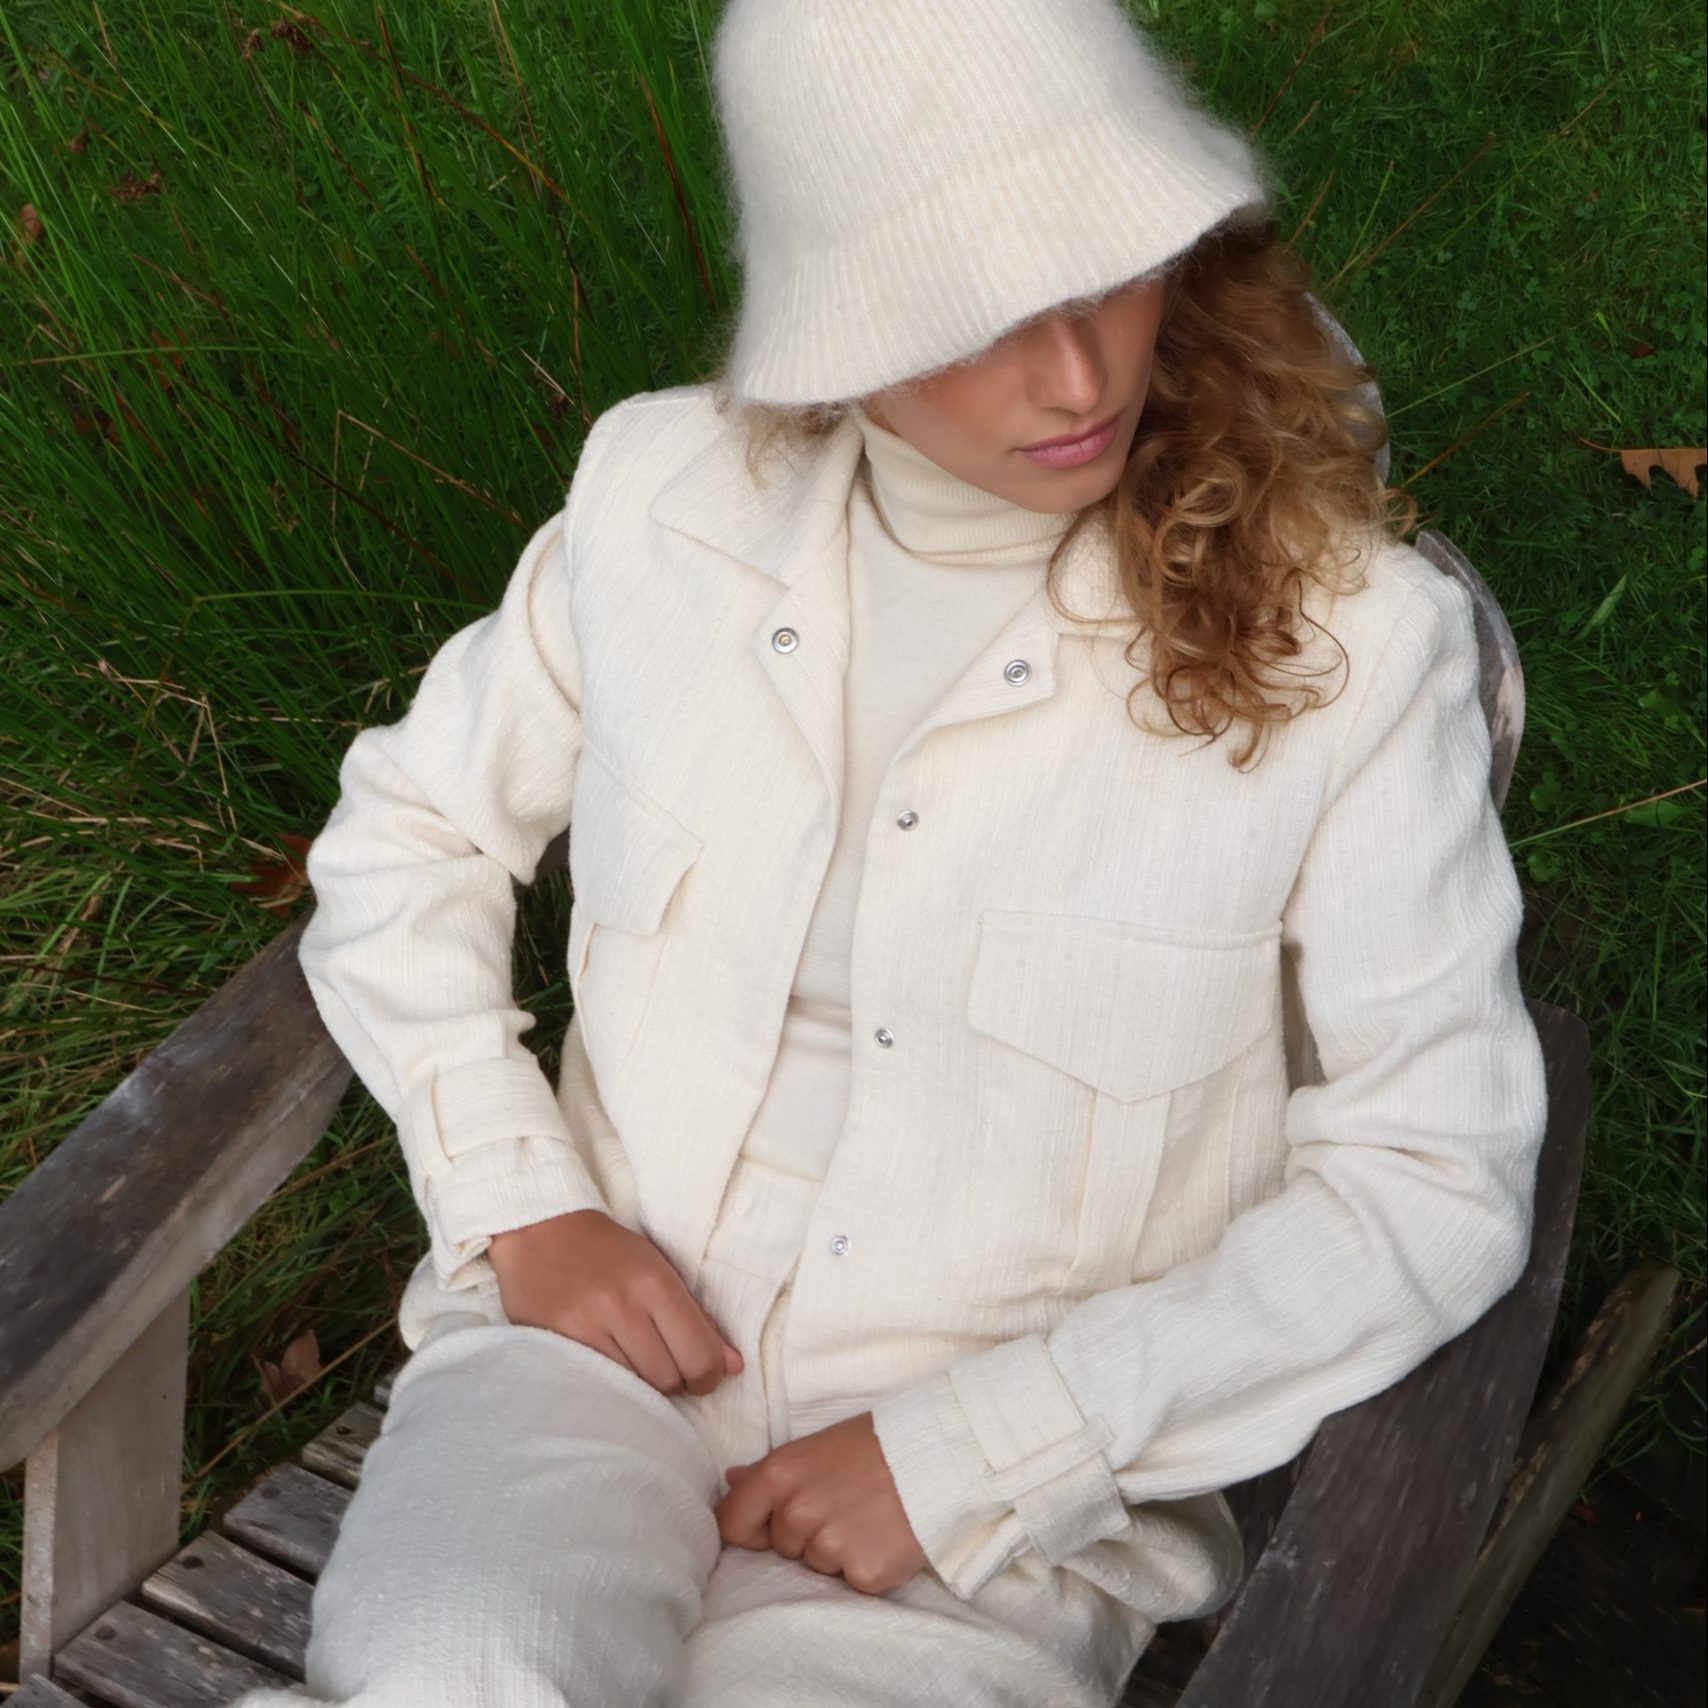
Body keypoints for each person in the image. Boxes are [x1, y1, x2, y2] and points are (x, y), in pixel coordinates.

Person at [231, 2, 1549, 1705]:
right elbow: (412, 832)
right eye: (976, 317)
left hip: (994, 1525)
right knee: (456, 1672)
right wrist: (518, 1199)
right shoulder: (661, 503)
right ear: (839, 332)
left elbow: (1433, 1172)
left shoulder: (1348, 648)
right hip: (581, 1376)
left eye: (1109, 275)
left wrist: (978, 1449)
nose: (1077, 377)